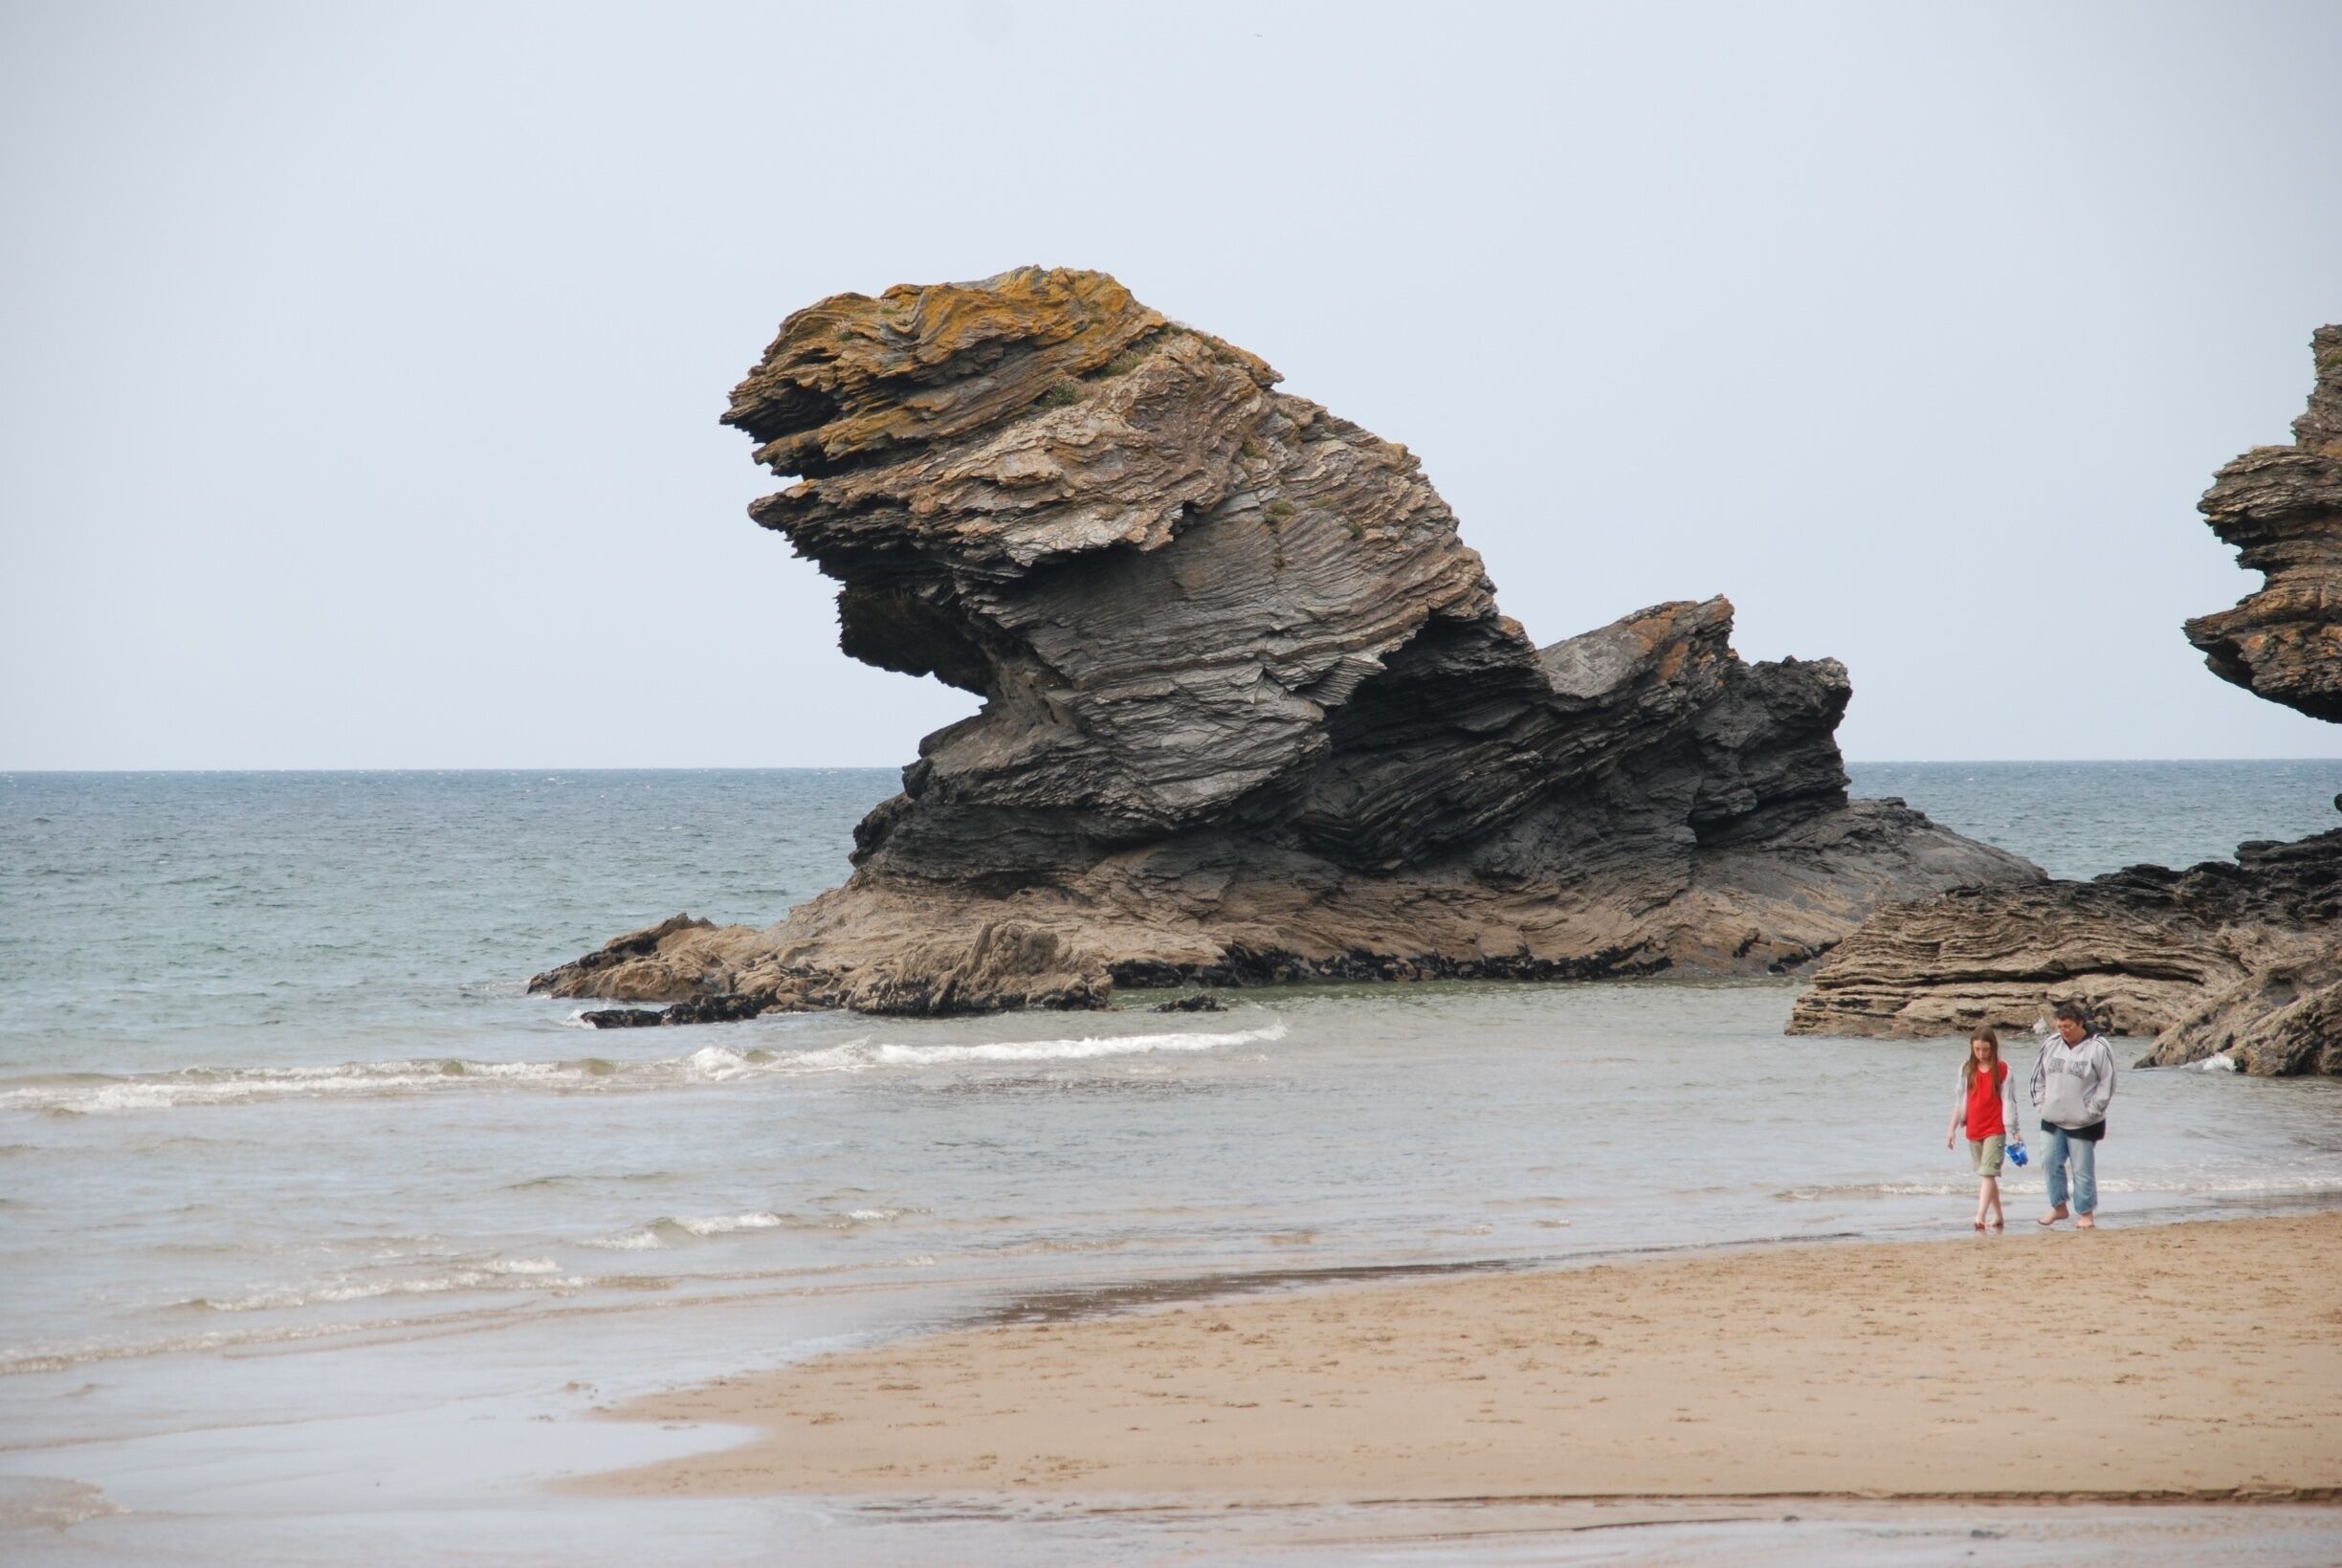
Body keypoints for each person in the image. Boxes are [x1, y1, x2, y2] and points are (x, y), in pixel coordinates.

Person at [2030, 1001, 2116, 1229]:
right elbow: (2038, 1077)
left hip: (2084, 1121)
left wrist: (2092, 1110)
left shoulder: (2099, 1047)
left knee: (2082, 1169)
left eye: (2068, 1026)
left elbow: (2107, 1083)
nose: (2063, 1031)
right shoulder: (2051, 1044)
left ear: (2080, 1024)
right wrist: (2041, 1104)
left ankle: (2086, 1213)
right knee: (2050, 1162)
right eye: (2060, 1026)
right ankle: (2058, 1206)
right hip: (2052, 1117)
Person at [1946, 1027, 2021, 1230]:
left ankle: (1980, 1215)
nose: (1981, 1053)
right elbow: (1959, 1102)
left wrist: (2014, 1131)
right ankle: (1999, 1215)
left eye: (1985, 1049)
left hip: (1995, 1128)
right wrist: (1951, 1129)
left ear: (1993, 1047)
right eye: (1977, 1049)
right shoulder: (1966, 1069)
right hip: (1974, 1129)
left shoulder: (2003, 1069)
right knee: (1987, 1173)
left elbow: (2009, 1102)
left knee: (1987, 1173)